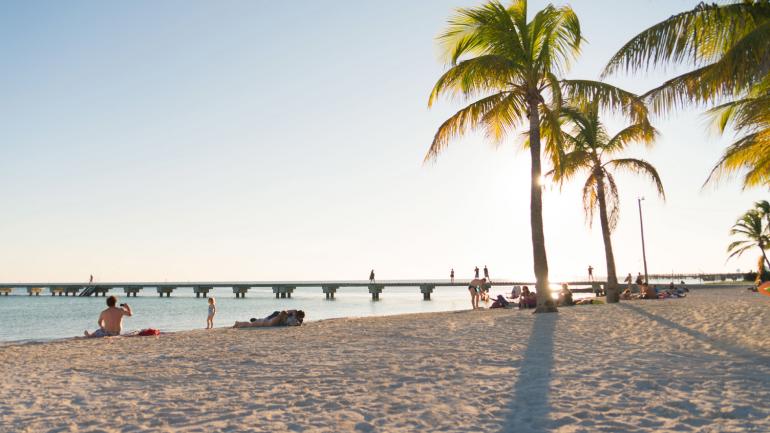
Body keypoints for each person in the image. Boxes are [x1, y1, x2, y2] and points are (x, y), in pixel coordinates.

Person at [233, 310, 305, 328]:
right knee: (250, 325)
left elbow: (296, 323)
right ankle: (238, 323)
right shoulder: (279, 318)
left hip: (266, 321)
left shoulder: (283, 319)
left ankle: (238, 323)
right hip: (266, 321)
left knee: (251, 324)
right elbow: (283, 313)